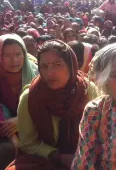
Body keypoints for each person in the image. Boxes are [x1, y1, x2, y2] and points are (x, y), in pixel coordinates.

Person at [6, 40, 97, 170]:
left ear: (71, 65)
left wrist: (81, 155)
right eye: (43, 66)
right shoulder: (30, 96)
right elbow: (27, 143)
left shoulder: (88, 90)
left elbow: (97, 132)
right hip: (42, 159)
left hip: (85, 155)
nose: (50, 73)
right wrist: (56, 154)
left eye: (57, 64)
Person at [0, 34, 37, 170]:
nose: (14, 60)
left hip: (33, 124)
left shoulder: (35, 73)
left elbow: (43, 105)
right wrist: (12, 136)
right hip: (5, 126)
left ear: (24, 54)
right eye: (7, 55)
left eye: (17, 54)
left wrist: (21, 120)